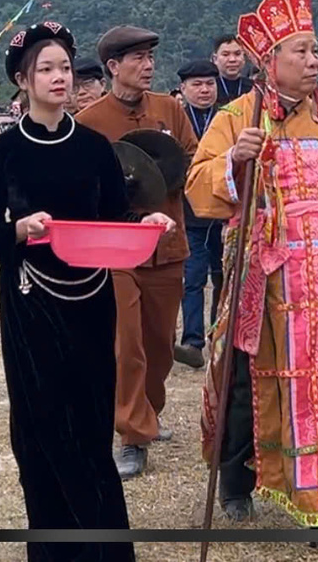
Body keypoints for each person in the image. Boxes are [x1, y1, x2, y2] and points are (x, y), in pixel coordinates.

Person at [189, 0, 318, 557]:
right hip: (263, 275)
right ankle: (236, 476)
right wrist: (234, 161)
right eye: (301, 51)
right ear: (269, 61)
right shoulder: (238, 118)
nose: (313, 61)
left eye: (315, 51)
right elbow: (198, 187)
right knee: (243, 382)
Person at [0, 21, 173, 560]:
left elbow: (113, 216)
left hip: (91, 301)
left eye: (64, 67)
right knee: (38, 430)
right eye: (46, 69)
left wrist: (146, 220)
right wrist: (19, 230)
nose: (60, 78)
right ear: (22, 80)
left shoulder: (94, 148)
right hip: (30, 302)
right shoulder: (3, 152)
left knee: (88, 425)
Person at [74, 26, 196, 480]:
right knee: (127, 345)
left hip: (167, 243)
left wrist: (167, 175)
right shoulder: (89, 121)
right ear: (113, 67)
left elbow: (193, 160)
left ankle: (148, 409)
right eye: (137, 58)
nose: (147, 66)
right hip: (117, 248)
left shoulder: (170, 110)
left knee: (160, 345)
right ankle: (132, 436)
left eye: (150, 57)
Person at [173, 59, 223, 370]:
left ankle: (220, 334)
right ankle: (193, 342)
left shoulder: (229, 117)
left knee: (223, 277)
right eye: (197, 85)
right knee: (192, 279)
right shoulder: (177, 118)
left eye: (209, 84)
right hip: (189, 213)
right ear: (183, 88)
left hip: (223, 212)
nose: (204, 90)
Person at [212, 35, 254, 105]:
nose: (232, 59)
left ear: (244, 58)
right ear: (215, 59)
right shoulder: (210, 88)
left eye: (237, 54)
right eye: (225, 54)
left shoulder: (254, 88)